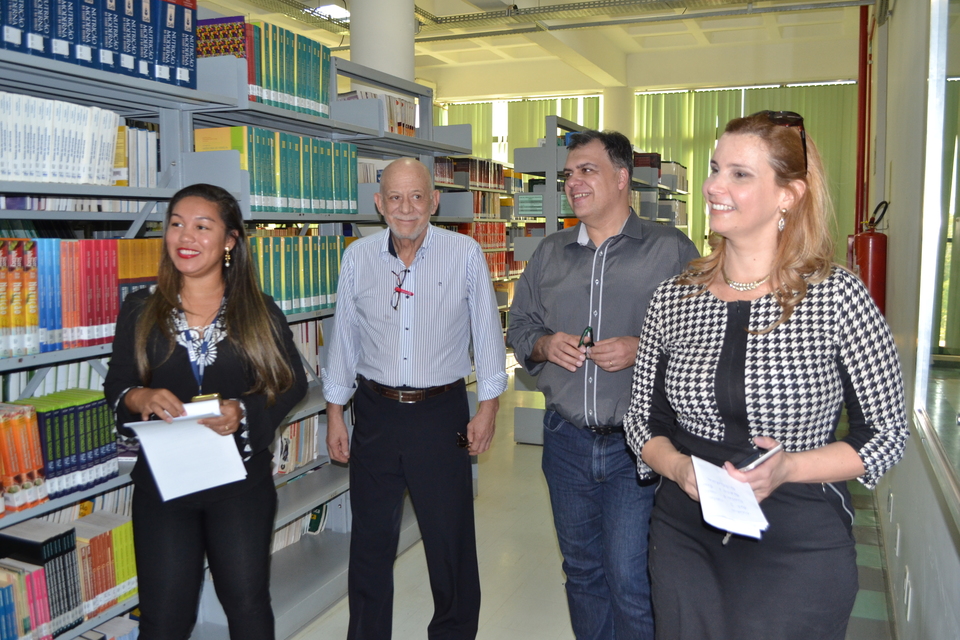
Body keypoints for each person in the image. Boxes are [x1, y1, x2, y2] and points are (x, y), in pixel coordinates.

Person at [623, 111, 909, 640]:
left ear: (789, 195)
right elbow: (643, 418)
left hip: (798, 536)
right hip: (686, 531)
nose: (713, 186)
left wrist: (787, 469)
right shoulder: (674, 297)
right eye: (714, 168)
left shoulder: (837, 298)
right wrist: (678, 467)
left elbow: (887, 435)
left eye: (739, 173)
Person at [508, 129, 699, 639]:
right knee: (583, 573)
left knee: (631, 579)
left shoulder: (670, 250)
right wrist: (546, 345)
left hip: (637, 447)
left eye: (587, 171)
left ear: (621, 178)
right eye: (568, 175)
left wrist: (642, 348)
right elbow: (520, 327)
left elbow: (706, 337)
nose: (573, 183)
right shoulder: (549, 254)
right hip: (565, 441)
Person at [104, 183, 308, 640]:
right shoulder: (139, 310)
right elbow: (117, 384)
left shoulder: (258, 312)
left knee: (247, 603)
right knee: (164, 615)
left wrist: (244, 410)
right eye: (176, 224)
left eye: (202, 226)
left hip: (238, 483)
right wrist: (139, 397)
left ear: (230, 240)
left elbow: (291, 382)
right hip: (163, 482)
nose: (185, 237)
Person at [321, 158, 507, 640]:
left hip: (440, 415)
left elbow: (487, 332)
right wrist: (335, 413)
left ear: (435, 201)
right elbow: (344, 340)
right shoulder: (357, 258)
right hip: (376, 413)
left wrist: (488, 407)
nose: (407, 209)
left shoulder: (464, 253)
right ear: (379, 204)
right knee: (370, 545)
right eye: (396, 198)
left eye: (417, 197)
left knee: (450, 544)